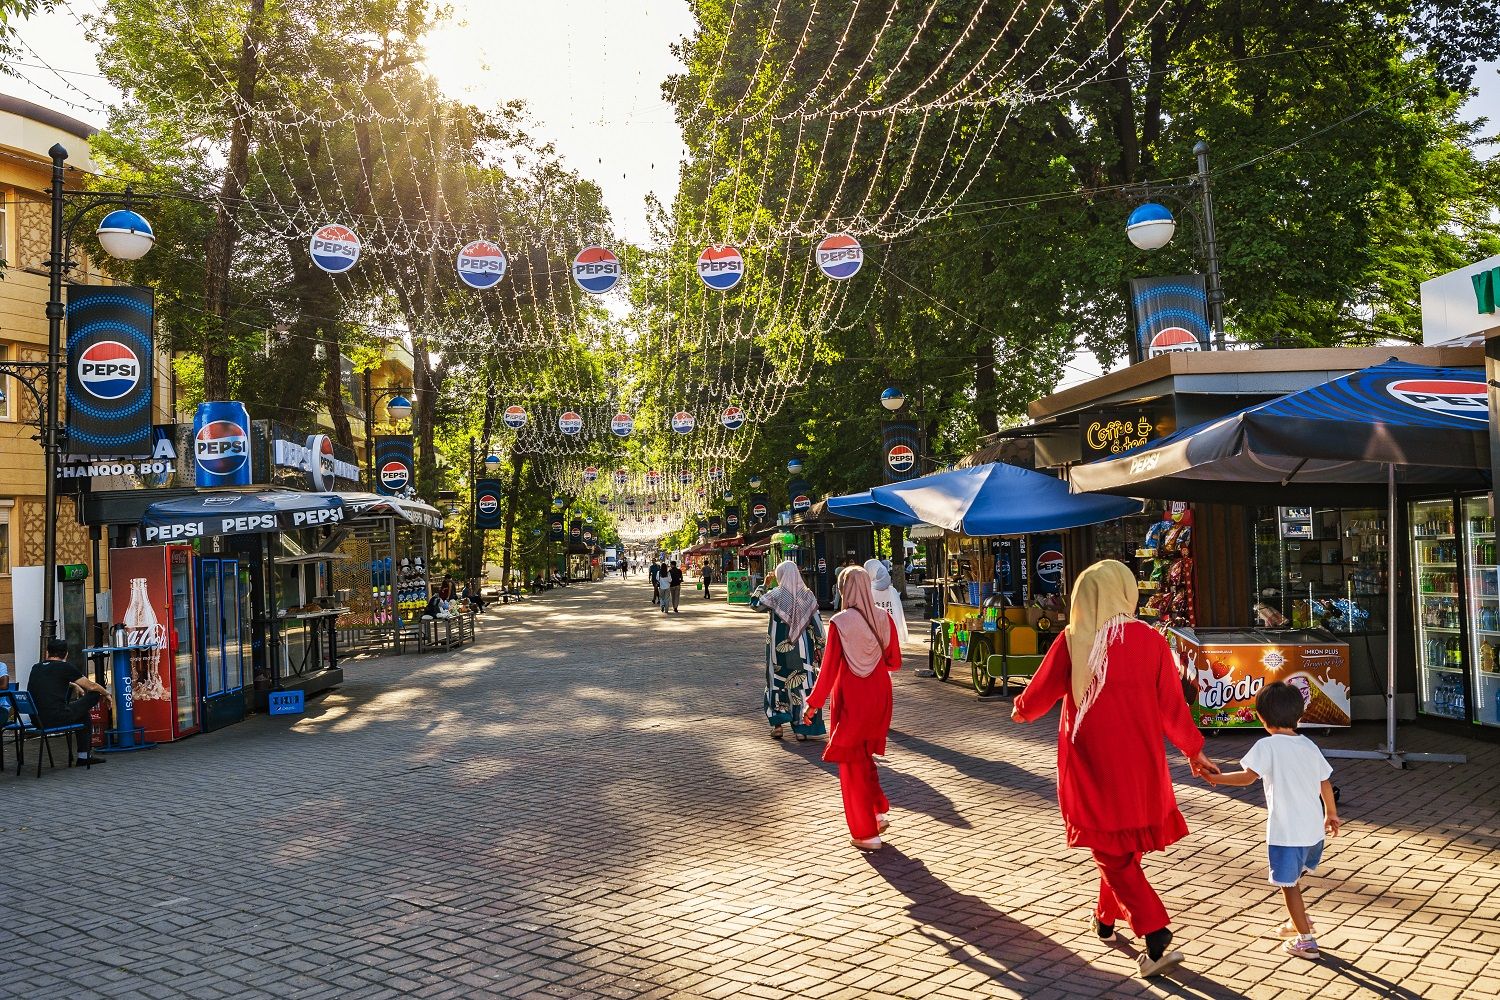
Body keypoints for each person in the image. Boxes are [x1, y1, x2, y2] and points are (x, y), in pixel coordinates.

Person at [1011, 559, 1219, 979]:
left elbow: (1037, 696)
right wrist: (1193, 750)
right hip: (1141, 759)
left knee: (1110, 848)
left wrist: (1020, 711)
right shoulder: (1150, 640)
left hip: (1091, 760)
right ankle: (1106, 919)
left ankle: (1154, 930)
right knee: (1121, 845)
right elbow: (1171, 707)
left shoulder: (1074, 640)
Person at [1204, 682, 1340, 959]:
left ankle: (1306, 940)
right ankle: (1296, 921)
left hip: (1287, 833)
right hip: (1314, 831)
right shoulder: (1308, 745)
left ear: (1262, 718)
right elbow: (1324, 781)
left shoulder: (1266, 745)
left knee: (1287, 885)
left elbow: (1246, 778)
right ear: (1299, 716)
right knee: (1295, 877)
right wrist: (1332, 813)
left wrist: (1213, 778)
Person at [803, 566, 902, 851]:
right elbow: (894, 662)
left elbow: (829, 669)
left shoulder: (840, 622)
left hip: (853, 698)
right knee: (864, 756)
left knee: (850, 763)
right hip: (880, 694)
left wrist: (812, 706)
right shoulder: (885, 619)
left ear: (845, 588)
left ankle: (866, 833)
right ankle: (877, 810)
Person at [753, 560, 826, 741]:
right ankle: (801, 728)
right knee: (801, 685)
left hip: (777, 652)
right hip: (803, 652)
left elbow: (754, 604)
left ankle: (778, 725)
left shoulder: (775, 595)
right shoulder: (808, 596)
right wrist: (820, 647)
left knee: (777, 683)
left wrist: (764, 585)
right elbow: (817, 625)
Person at [27, 639, 108, 765]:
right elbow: (91, 686)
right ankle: (83, 757)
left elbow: (49, 681)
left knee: (83, 715)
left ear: (47, 653)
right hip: (56, 718)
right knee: (95, 694)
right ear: (66, 654)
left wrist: (73, 685)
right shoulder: (65, 667)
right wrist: (107, 694)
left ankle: (84, 757)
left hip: (37, 720)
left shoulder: (36, 668)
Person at [864, 558, 910, 645]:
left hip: (873, 634)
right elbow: (898, 613)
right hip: (890, 631)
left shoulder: (867, 591)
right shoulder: (892, 591)